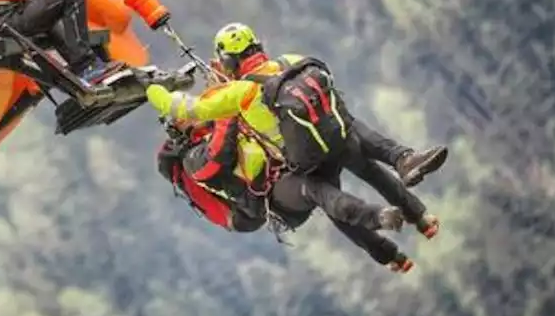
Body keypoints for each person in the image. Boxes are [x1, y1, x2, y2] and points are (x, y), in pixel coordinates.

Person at [146, 22, 448, 238]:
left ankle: (384, 217)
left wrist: (154, 91)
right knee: (359, 147)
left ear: (226, 62)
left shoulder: (238, 94)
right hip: (333, 133)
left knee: (326, 193)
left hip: (303, 157)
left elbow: (189, 109)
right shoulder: (287, 62)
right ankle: (406, 169)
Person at [157, 116, 417, 272]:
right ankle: (378, 216)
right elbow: (221, 153)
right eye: (187, 115)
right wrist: (224, 111)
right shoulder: (193, 160)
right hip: (264, 204)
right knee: (317, 191)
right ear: (180, 130)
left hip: (273, 183)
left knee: (329, 200)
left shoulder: (203, 137)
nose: (194, 115)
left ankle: (388, 255)